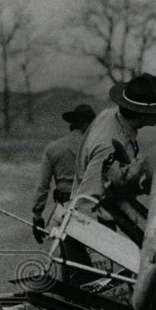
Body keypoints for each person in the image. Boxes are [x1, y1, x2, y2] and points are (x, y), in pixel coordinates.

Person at [71, 73, 156, 215]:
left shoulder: (109, 115)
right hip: (94, 221)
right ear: (143, 114)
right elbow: (86, 201)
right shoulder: (109, 147)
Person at [31, 103, 95, 243]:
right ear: (86, 123)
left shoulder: (53, 149)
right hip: (96, 210)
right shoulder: (98, 147)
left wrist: (37, 216)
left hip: (67, 210)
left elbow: (43, 186)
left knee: (69, 257)